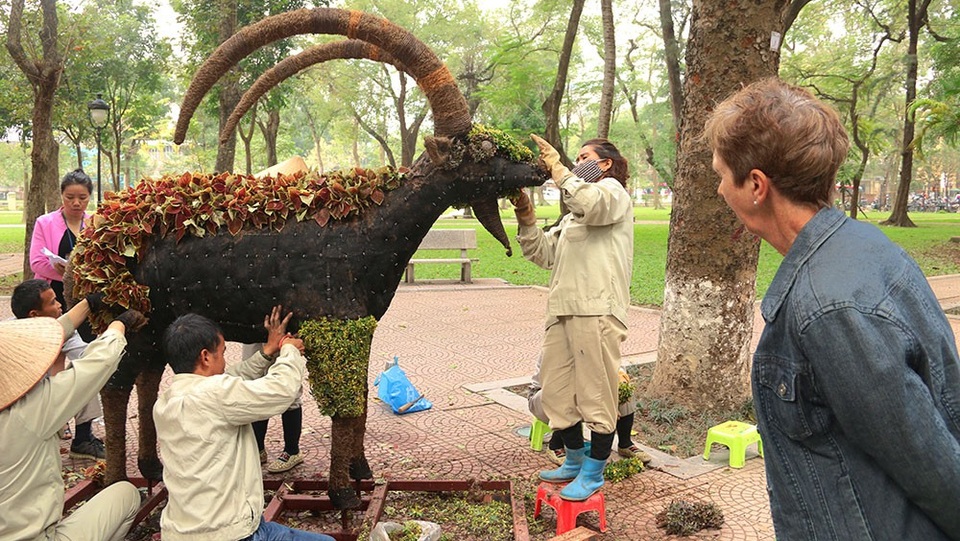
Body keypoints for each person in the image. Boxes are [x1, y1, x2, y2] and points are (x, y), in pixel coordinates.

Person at [705, 77, 960, 539]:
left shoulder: (828, 309)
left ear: (756, 185)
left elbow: (932, 465)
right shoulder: (860, 244)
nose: (721, 190)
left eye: (722, 174)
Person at [513, 134, 633, 501]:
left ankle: (594, 473)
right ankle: (574, 461)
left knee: (597, 393)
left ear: (606, 164)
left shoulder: (612, 194)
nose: (575, 162)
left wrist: (559, 168)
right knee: (558, 392)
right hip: (562, 311)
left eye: (584, 157)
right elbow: (542, 253)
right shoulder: (571, 219)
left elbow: (588, 200)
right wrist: (526, 218)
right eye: (574, 157)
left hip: (596, 310)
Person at [154, 306, 334, 541]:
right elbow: (281, 391)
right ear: (206, 356)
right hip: (231, 535)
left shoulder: (167, 401)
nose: (225, 361)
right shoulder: (216, 395)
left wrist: (267, 351)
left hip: (180, 532)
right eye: (223, 353)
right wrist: (289, 351)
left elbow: (232, 379)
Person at [0, 296, 146, 540]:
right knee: (126, 495)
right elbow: (98, 363)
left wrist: (90, 302)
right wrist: (120, 324)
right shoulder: (32, 409)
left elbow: (51, 335)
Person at [11, 278, 106, 459]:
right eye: (53, 302)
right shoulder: (9, 337)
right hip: (21, 407)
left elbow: (85, 355)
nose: (60, 305)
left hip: (47, 398)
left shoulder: (61, 326)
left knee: (85, 372)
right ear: (34, 314)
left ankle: (83, 439)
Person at [528, 356, 651, 466]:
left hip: (588, 395)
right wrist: (606, 405)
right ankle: (555, 445)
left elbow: (614, 368)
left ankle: (625, 444)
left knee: (623, 389)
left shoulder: (598, 343)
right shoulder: (559, 342)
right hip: (543, 398)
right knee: (567, 394)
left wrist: (618, 381)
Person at [30, 168, 94, 309]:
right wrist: (68, 276)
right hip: (51, 297)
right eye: (69, 197)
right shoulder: (44, 222)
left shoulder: (96, 224)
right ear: (62, 195)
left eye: (82, 198)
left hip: (86, 296)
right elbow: (37, 262)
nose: (76, 203)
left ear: (90, 196)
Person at [242, 342, 305, 473]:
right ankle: (258, 449)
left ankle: (292, 451)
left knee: (289, 387)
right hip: (253, 331)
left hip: (283, 330)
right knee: (255, 387)